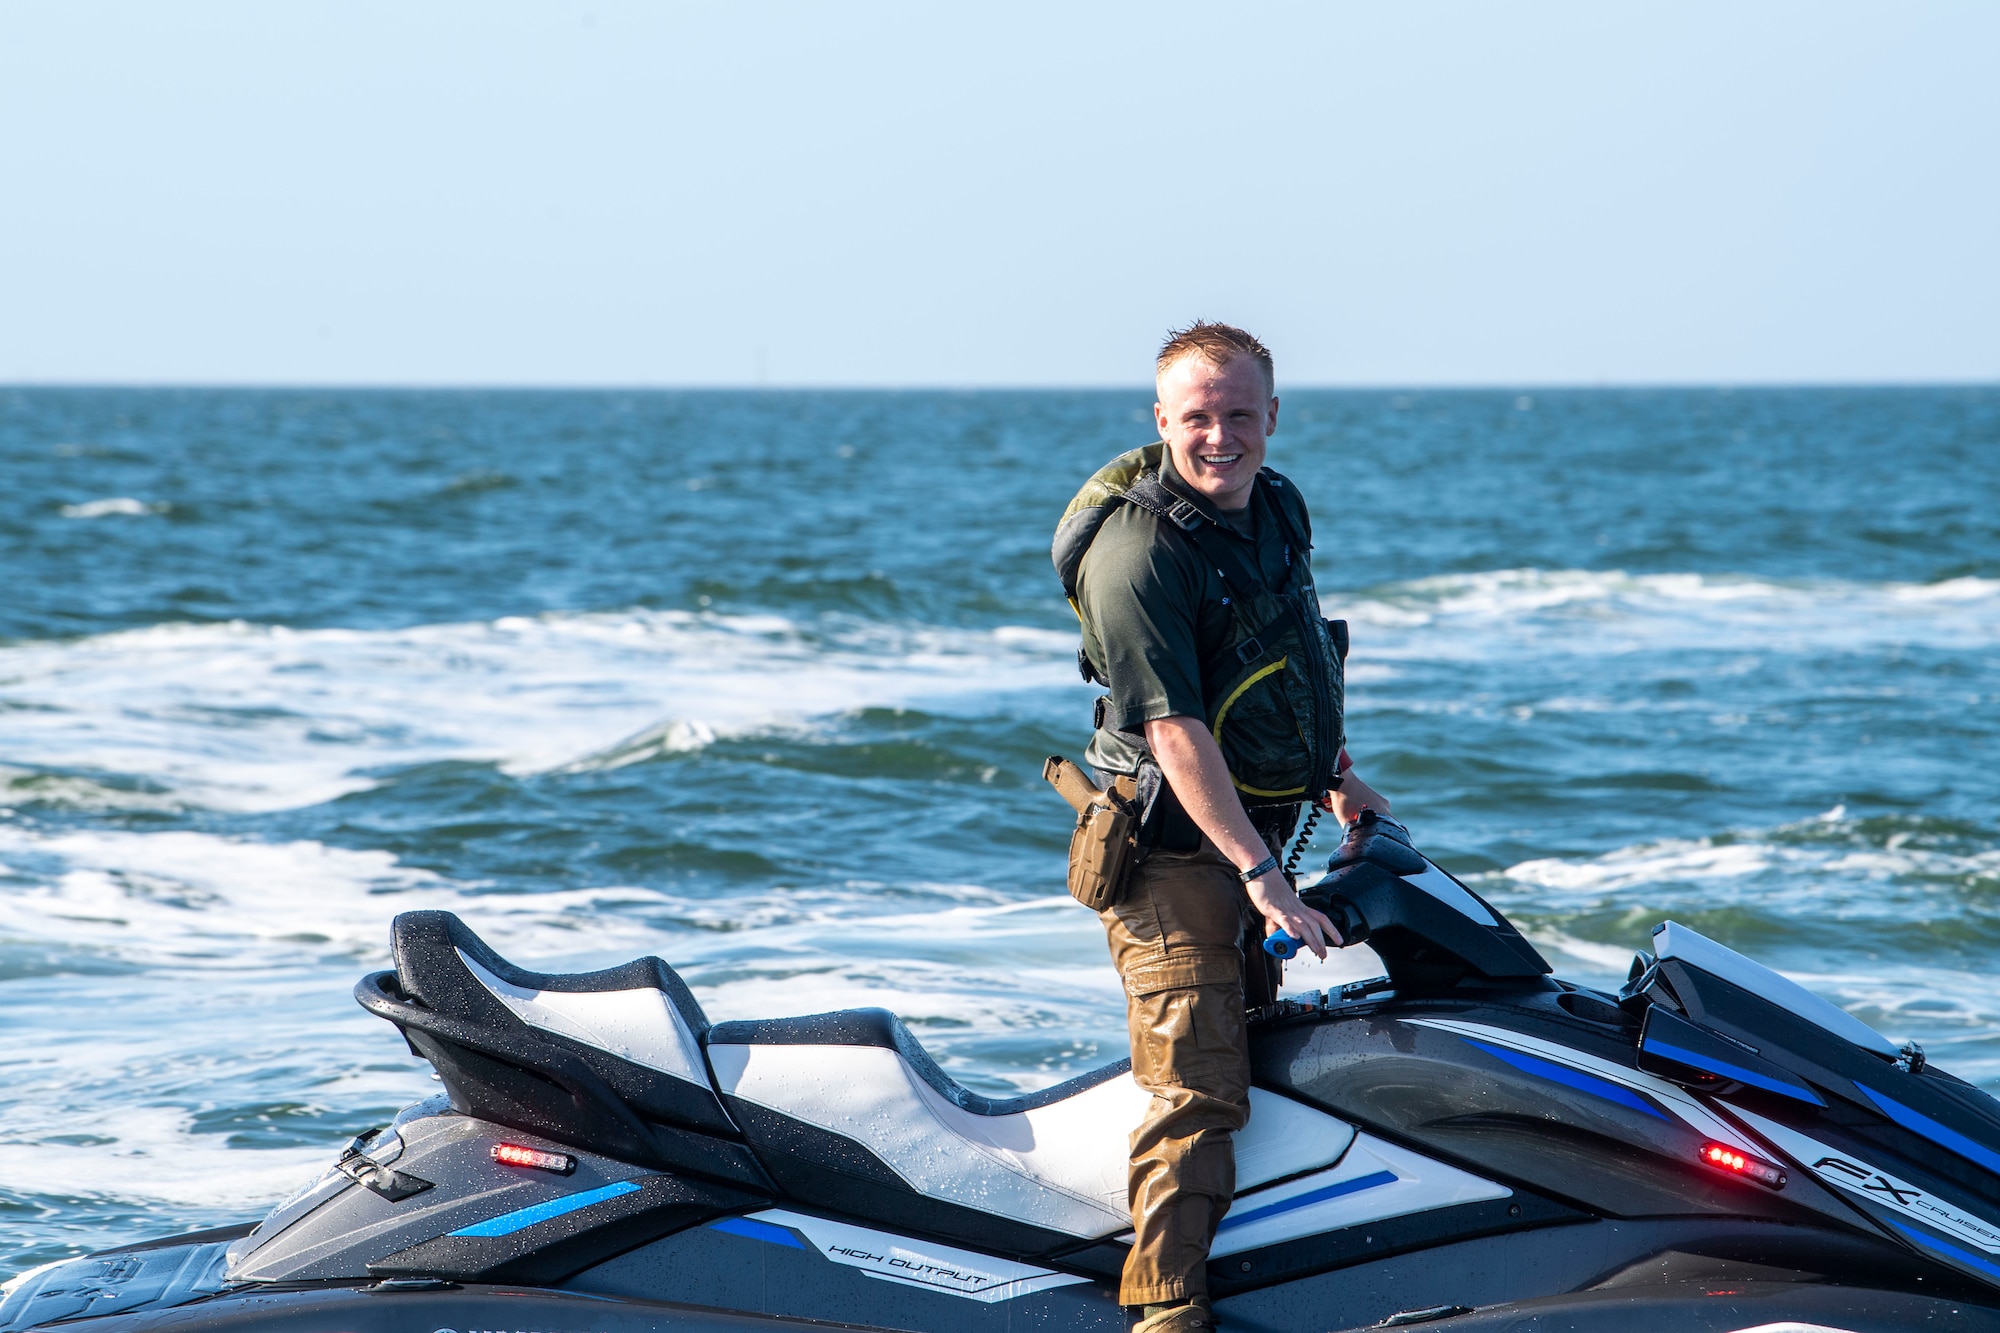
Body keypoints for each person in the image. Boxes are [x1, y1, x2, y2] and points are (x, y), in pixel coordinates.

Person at [1059, 322, 1391, 1332]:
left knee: (1268, 1063)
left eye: (1237, 414)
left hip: (1246, 844)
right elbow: (1174, 728)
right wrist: (1261, 874)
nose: (1218, 437)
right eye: (1195, 417)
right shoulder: (1137, 552)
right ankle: (1162, 1313)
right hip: (1168, 860)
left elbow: (1289, 664)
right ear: (1160, 423)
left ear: (1271, 418)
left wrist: (1337, 779)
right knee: (1198, 1095)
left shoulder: (1276, 508)